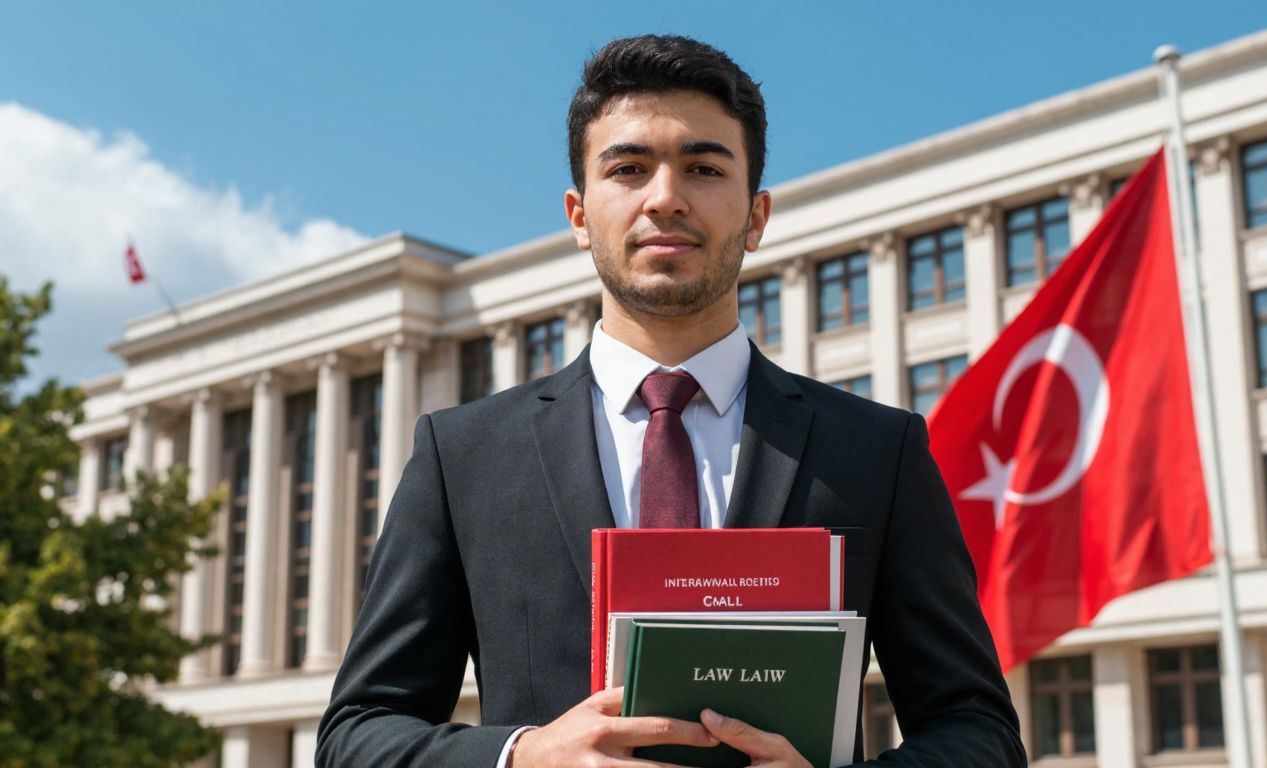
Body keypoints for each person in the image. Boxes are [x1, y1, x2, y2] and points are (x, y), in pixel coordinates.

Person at [317, 35, 1024, 767]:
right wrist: (524, 758)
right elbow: (358, 734)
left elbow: (979, 731)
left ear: (756, 216)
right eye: (627, 169)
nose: (665, 197)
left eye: (704, 167)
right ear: (579, 215)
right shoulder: (462, 457)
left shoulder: (879, 451)